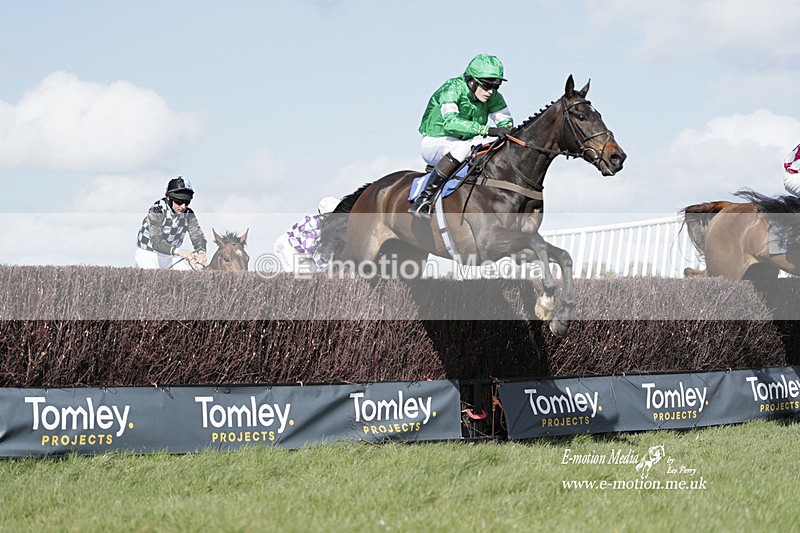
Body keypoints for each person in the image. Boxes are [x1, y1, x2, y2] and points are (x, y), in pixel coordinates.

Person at [410, 53, 514, 218]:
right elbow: (451, 122)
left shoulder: (493, 97)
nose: (490, 92)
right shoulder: (452, 88)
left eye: (495, 87)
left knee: (493, 148)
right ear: (471, 81)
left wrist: (506, 130)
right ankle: (423, 200)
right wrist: (487, 130)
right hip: (435, 141)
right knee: (463, 147)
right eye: (486, 86)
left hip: (466, 141)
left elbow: (506, 123)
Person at [135, 177, 208, 270]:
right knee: (153, 280)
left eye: (187, 202)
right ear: (168, 197)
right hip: (148, 254)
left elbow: (197, 235)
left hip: (170, 256)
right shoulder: (156, 210)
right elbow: (156, 242)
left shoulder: (189, 214)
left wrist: (202, 252)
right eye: (179, 202)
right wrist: (180, 252)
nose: (183, 207)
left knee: (189, 275)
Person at [274, 196, 339, 272]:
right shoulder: (313, 224)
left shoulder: (329, 226)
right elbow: (311, 249)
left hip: (304, 253)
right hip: (287, 248)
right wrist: (326, 266)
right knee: (296, 276)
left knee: (311, 277)